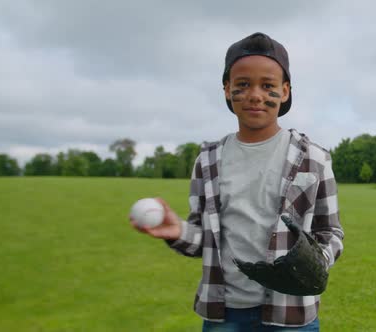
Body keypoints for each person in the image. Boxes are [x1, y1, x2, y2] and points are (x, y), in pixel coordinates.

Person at [132, 32, 344, 331]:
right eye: (243, 84)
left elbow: (330, 231)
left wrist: (317, 260)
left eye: (267, 85)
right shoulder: (208, 160)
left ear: (284, 92)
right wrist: (176, 230)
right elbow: (205, 239)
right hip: (226, 314)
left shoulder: (315, 158)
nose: (255, 95)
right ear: (227, 89)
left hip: (291, 313)